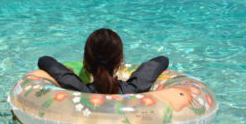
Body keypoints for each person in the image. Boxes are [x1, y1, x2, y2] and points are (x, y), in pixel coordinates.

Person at [36, 29, 169, 95]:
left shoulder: (78, 89)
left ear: (86, 60)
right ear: (119, 61)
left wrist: (68, 73)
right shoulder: (133, 88)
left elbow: (45, 60)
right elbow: (162, 60)